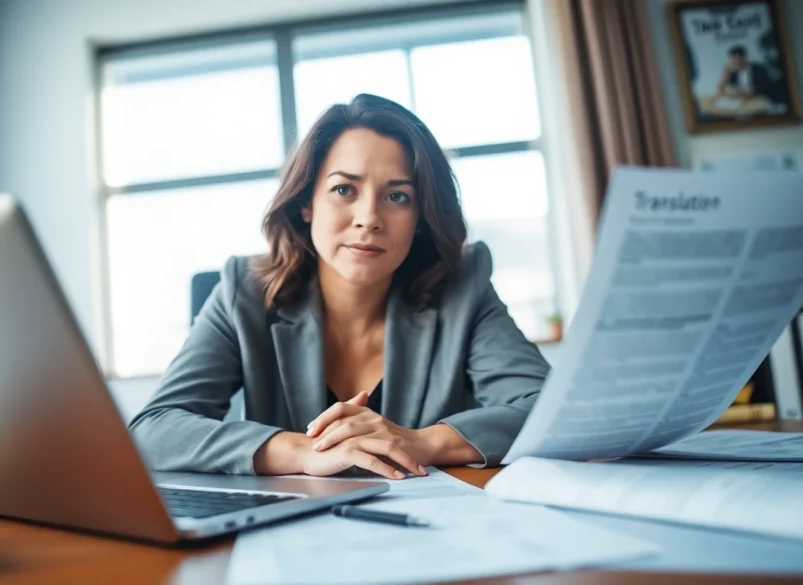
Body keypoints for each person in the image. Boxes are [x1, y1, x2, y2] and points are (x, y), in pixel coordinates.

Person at [128, 94, 549, 479]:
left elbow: (548, 412)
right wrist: (303, 452)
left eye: (398, 196)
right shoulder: (245, 291)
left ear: (421, 216)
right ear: (306, 203)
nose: (369, 217)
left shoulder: (462, 285)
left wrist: (419, 441)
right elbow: (155, 428)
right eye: (344, 189)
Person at [699, 45, 778, 117]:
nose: (733, 61)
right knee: (705, 101)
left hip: (753, 98)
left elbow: (760, 89)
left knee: (761, 105)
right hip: (736, 99)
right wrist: (725, 71)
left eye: (736, 58)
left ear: (743, 57)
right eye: (732, 58)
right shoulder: (734, 71)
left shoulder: (758, 69)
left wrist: (741, 94)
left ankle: (732, 113)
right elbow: (720, 89)